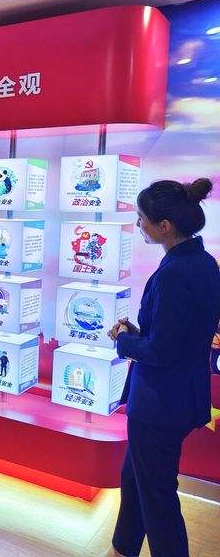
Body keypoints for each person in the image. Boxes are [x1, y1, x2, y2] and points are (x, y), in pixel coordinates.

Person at [106, 178, 220, 557]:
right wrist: (138, 334)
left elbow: (161, 351)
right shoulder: (202, 262)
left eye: (141, 218)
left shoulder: (174, 274)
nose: (138, 224)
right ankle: (122, 549)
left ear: (165, 225)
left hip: (160, 403)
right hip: (179, 396)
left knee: (157, 496)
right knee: (135, 479)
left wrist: (124, 340)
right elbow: (178, 337)